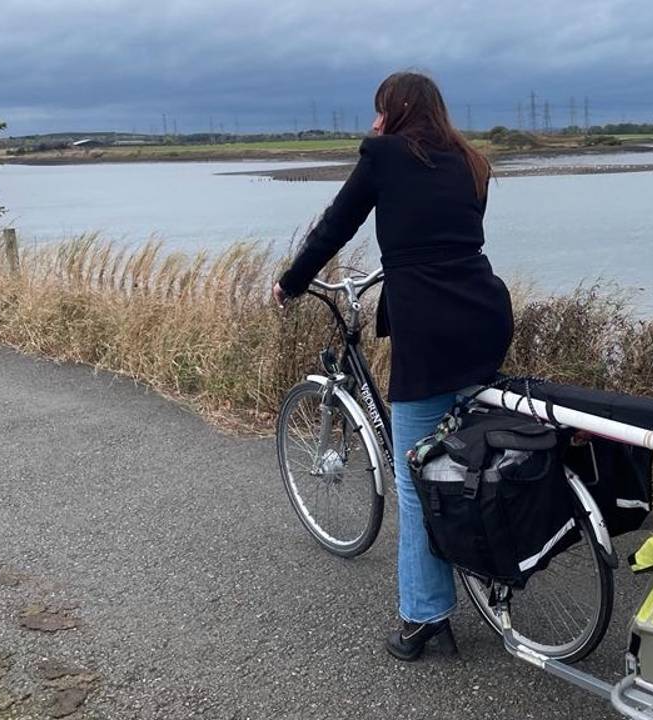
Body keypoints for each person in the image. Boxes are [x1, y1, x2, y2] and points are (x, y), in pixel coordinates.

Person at [273, 71, 514, 661]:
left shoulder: (382, 154)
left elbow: (336, 225)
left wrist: (290, 282)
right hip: (485, 316)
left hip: (428, 332)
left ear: (394, 111)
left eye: (380, 110)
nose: (374, 120)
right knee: (468, 459)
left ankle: (425, 618)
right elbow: (451, 236)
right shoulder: (473, 162)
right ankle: (491, 575)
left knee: (416, 477)